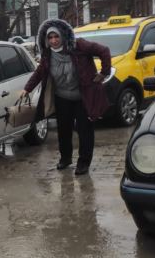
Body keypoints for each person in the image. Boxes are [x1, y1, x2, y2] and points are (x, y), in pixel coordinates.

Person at [19, 18, 111, 176]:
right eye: (50, 37)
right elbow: (40, 72)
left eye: (56, 37)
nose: (54, 41)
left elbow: (104, 51)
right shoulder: (48, 55)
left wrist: (103, 73)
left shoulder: (79, 45)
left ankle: (83, 163)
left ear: (62, 35)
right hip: (62, 97)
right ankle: (65, 158)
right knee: (64, 130)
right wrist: (27, 89)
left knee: (84, 130)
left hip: (83, 96)